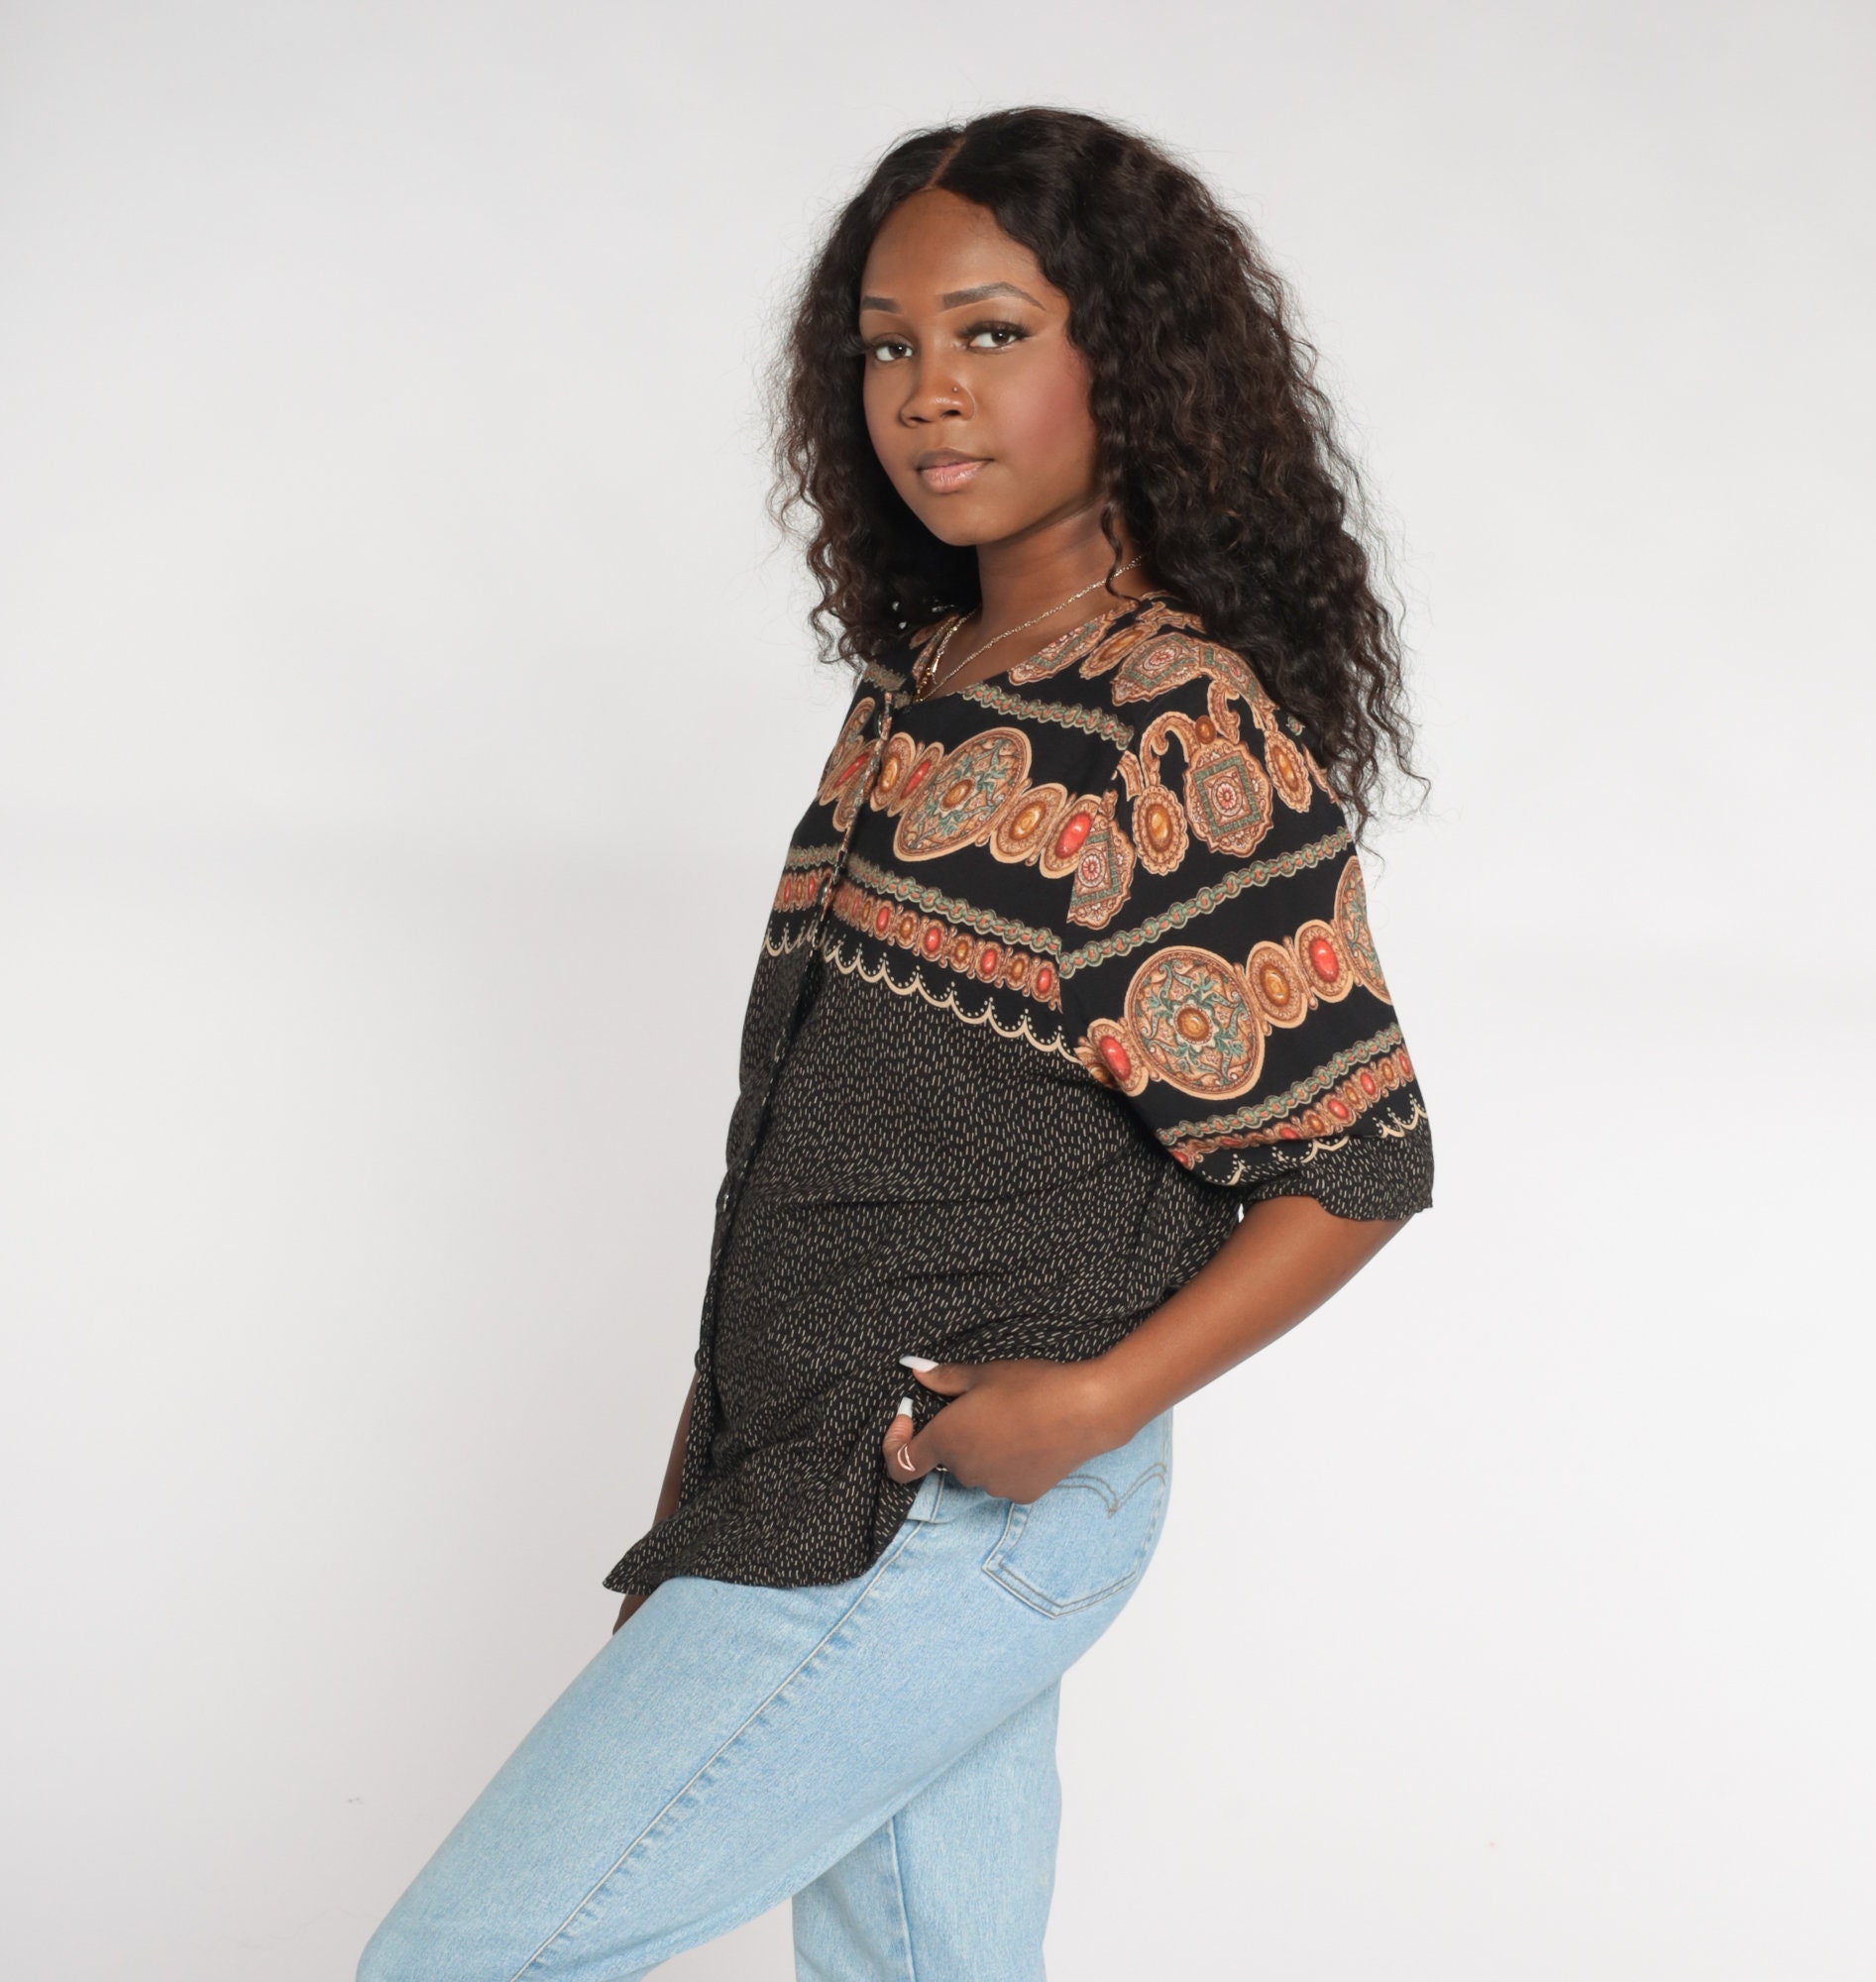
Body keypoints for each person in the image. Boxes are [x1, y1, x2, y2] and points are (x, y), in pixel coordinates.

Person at [359, 105, 1432, 1982]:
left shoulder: (1168, 738)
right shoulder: (920, 691)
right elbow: (807, 1147)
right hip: (806, 1472)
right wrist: (705, 1475)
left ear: (1131, 362)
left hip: (936, 1506)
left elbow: (1358, 1159)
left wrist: (1091, 1405)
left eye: (993, 332)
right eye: (887, 345)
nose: (928, 391)